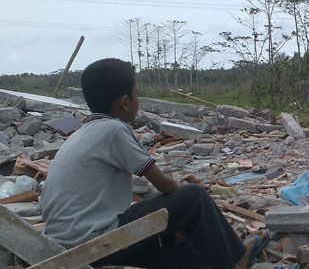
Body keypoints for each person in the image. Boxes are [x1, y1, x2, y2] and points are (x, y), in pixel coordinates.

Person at [41, 58, 266, 269]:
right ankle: (236, 260)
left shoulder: (81, 134)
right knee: (194, 197)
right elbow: (165, 185)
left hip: (65, 241)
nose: (138, 100)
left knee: (172, 247)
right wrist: (183, 199)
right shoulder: (113, 129)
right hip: (93, 239)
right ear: (125, 102)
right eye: (137, 93)